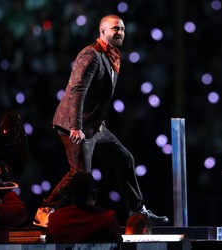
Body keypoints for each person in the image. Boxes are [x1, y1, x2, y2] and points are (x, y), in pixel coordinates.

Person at [33, 14, 168, 227]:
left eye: (122, 28)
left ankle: (137, 211)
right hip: (74, 124)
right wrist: (76, 126)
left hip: (94, 126)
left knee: (125, 159)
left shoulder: (111, 56)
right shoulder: (91, 54)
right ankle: (45, 210)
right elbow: (78, 90)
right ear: (102, 32)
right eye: (115, 28)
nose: (120, 32)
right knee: (80, 174)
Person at [46, 171, 123, 243]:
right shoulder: (108, 219)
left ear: (70, 196)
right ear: (94, 195)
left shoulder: (55, 219)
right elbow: (120, 245)